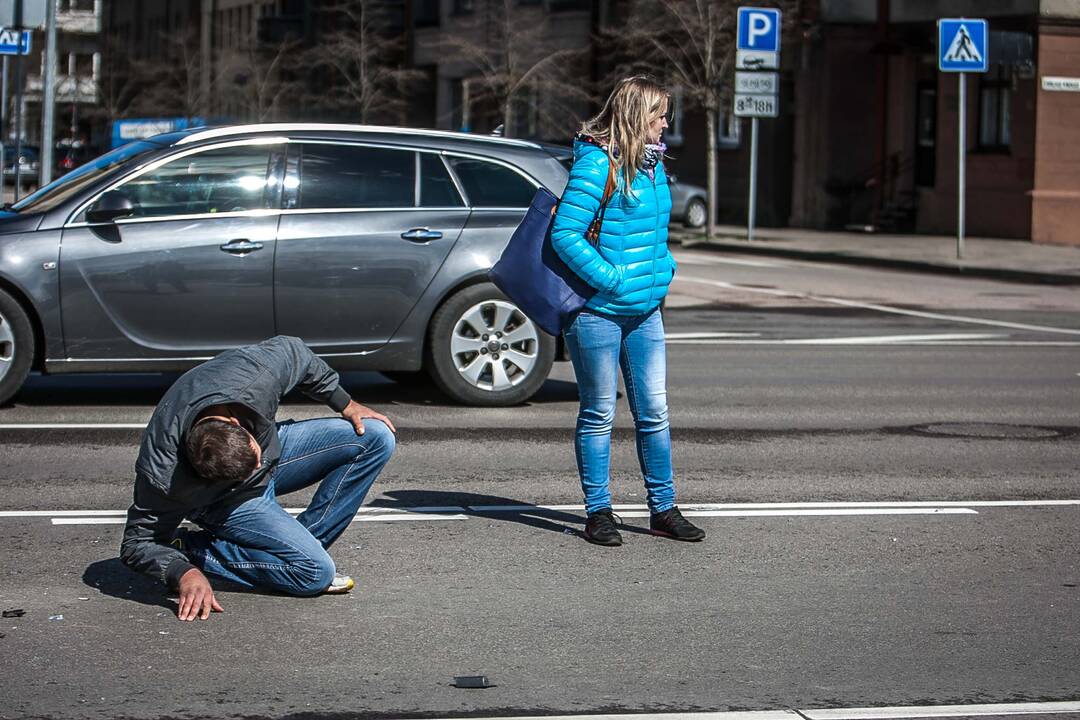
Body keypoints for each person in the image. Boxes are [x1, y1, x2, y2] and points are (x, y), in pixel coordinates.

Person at [120, 335, 397, 621]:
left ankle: (298, 548)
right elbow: (136, 544)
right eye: (249, 468)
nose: (257, 467)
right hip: (229, 499)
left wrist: (346, 404)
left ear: (236, 424)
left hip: (274, 449)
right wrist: (183, 571)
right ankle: (194, 550)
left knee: (376, 436)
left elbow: (294, 351)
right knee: (315, 574)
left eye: (253, 457)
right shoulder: (163, 476)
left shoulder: (253, 377)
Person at [551, 75, 704, 547]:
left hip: (645, 311)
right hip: (598, 312)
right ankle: (598, 512)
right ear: (638, 117)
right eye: (659, 116)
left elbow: (656, 234)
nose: (665, 125)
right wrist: (613, 278)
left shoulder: (654, 165)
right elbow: (565, 234)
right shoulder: (598, 164)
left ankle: (664, 508)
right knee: (599, 413)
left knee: (654, 412)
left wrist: (665, 269)